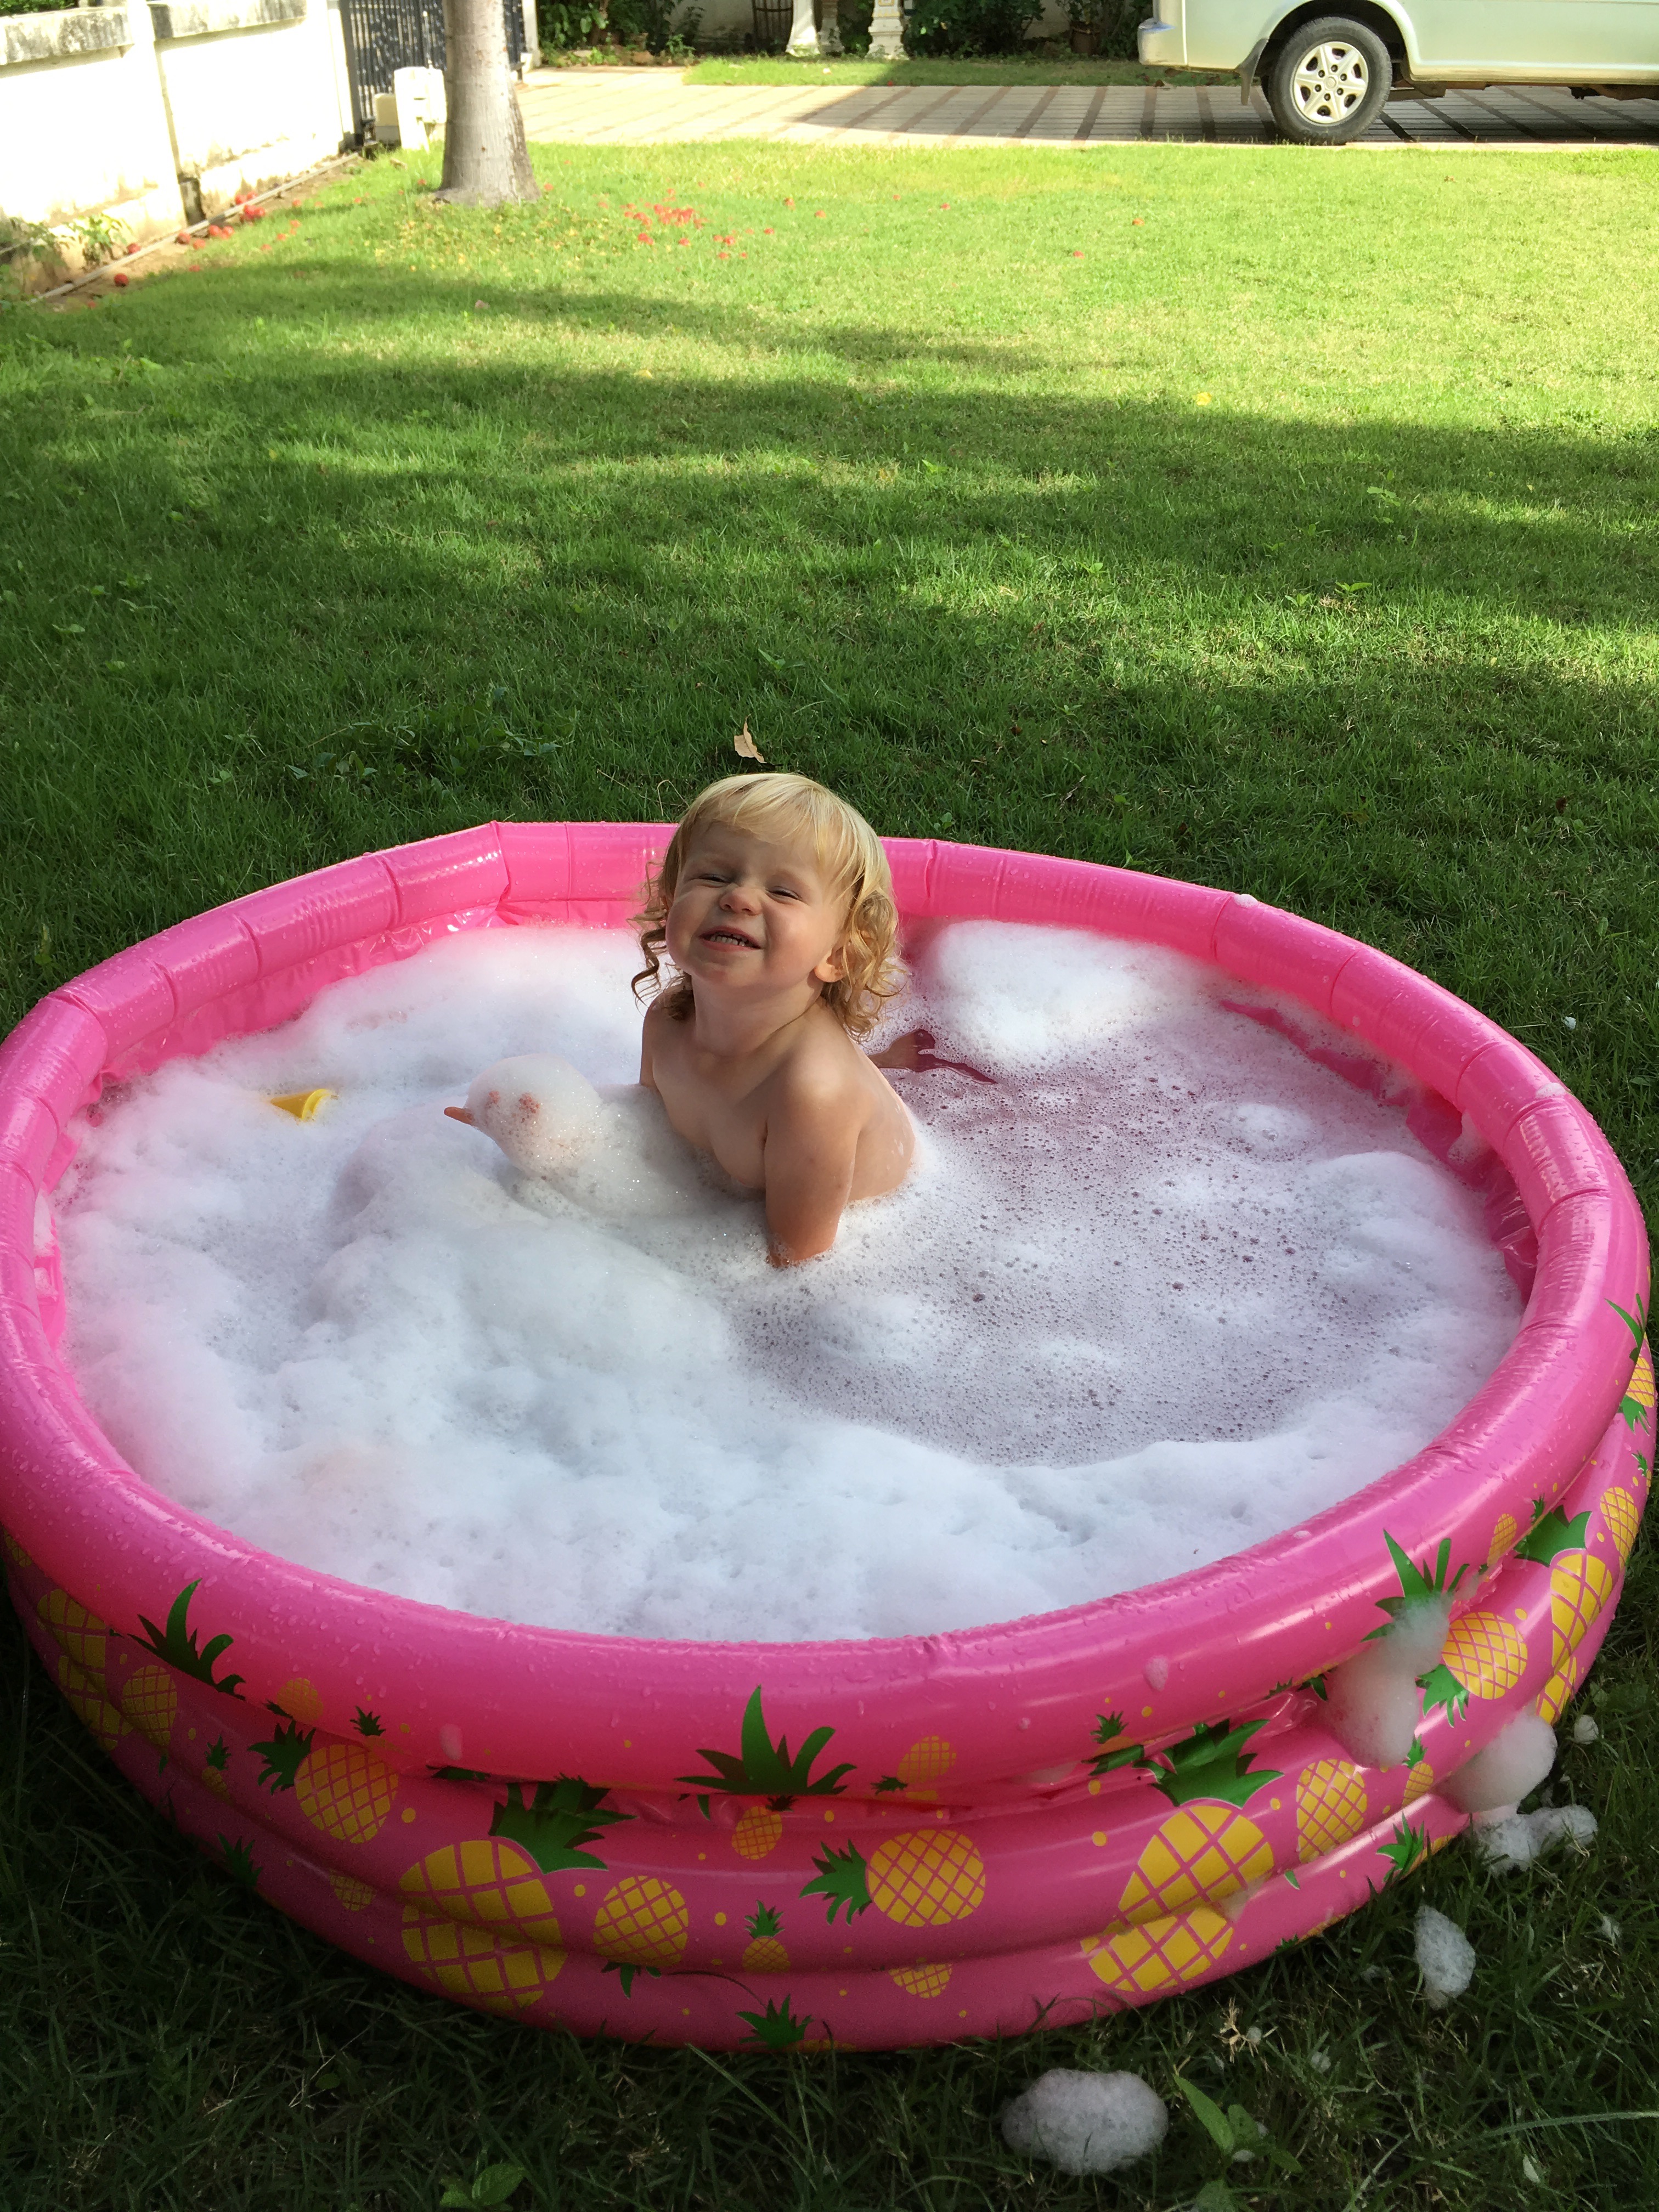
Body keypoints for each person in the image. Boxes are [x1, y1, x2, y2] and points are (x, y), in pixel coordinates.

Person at [634, 772, 914, 1266]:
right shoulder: (666, 1024)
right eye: (713, 876)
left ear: (840, 954)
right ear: (669, 902)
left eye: (783, 892)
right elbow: (640, 1136)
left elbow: (795, 1259)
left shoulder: (811, 1093)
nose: (738, 898)